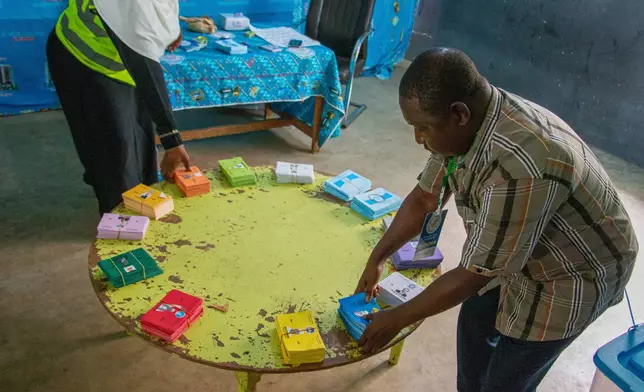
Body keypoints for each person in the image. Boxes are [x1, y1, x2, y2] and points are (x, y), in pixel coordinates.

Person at [354, 48, 638, 391]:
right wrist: (377, 258)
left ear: (458, 114)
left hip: (574, 273)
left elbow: (476, 274)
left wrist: (396, 318)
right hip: (512, 254)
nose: (418, 139)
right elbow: (425, 198)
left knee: (504, 380)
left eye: (422, 128)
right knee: (474, 331)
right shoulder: (467, 125)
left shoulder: (523, 162)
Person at [46, 0, 191, 214]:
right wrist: (172, 140)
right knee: (115, 147)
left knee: (139, 133)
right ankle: (119, 224)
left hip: (120, 61)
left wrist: (171, 30)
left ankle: (144, 200)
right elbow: (145, 66)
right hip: (86, 58)